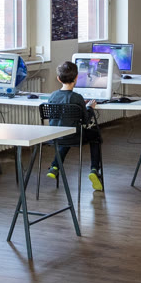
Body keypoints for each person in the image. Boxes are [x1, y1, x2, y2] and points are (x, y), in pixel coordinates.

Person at [44, 60, 104, 192]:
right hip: (75, 136)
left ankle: (55, 167)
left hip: (55, 136)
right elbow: (86, 120)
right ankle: (94, 170)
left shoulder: (52, 96)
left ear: (58, 79)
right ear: (76, 78)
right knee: (95, 136)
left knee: (65, 134)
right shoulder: (77, 98)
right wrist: (90, 107)